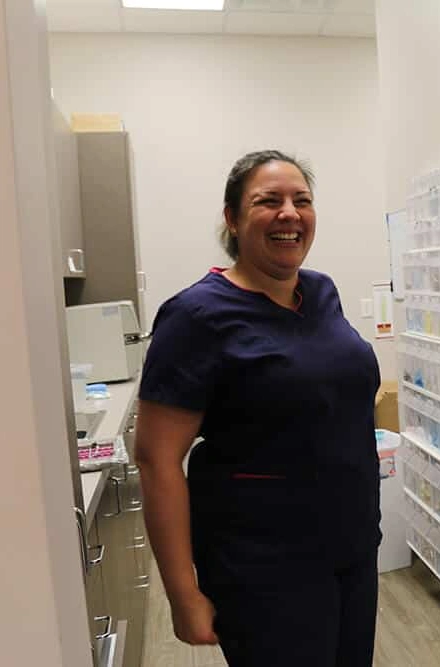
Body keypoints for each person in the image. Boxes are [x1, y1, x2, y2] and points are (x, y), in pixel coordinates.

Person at [135, 150, 382, 666]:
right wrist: (183, 593)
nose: (289, 213)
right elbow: (157, 460)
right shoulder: (196, 317)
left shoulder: (321, 292)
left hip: (352, 549)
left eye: (301, 201)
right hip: (264, 569)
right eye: (268, 201)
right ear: (232, 218)